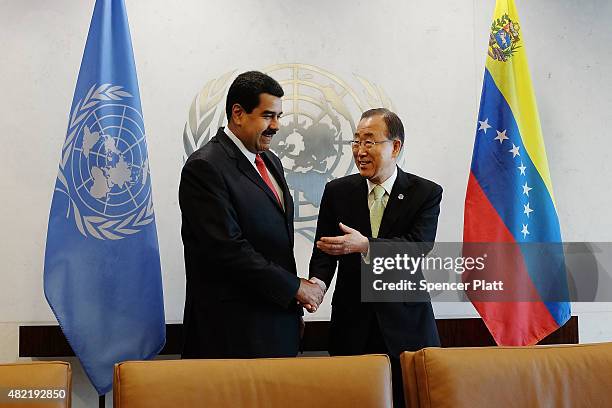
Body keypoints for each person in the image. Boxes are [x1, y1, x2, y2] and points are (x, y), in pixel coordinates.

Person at [179, 71, 323, 359]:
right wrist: (295, 288)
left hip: (277, 325)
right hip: (231, 335)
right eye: (268, 115)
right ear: (238, 113)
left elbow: (275, 245)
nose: (276, 126)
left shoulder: (271, 161)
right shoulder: (205, 167)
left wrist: (291, 311)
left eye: (279, 116)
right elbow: (227, 249)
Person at [309, 108, 442, 406]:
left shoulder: (425, 192)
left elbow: (418, 246)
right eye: (356, 142)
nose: (360, 151)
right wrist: (317, 284)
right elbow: (326, 250)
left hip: (406, 325)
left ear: (394, 147)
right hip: (351, 324)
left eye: (369, 142)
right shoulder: (337, 192)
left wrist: (366, 246)